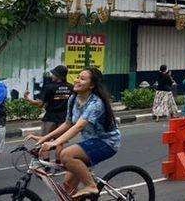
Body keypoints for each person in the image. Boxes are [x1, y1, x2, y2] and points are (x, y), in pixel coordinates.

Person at [31, 68, 121, 198]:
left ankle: (91, 186)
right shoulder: (73, 99)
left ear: (92, 85)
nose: (77, 80)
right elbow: (68, 123)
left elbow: (78, 126)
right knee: (68, 187)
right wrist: (46, 137)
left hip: (106, 143)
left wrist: (55, 143)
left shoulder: (96, 103)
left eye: (83, 79)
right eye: (78, 77)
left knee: (66, 154)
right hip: (89, 142)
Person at [24, 65, 72, 160]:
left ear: (58, 76)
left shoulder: (49, 87)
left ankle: (46, 165)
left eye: (53, 74)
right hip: (64, 118)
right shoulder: (71, 87)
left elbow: (40, 104)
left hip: (50, 117)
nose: (52, 75)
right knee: (59, 142)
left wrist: (28, 99)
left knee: (45, 140)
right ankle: (58, 164)